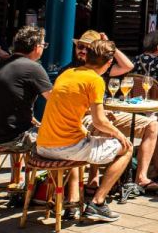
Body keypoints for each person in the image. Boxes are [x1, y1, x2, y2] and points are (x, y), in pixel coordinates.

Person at [37, 40, 133, 223]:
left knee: (86, 139)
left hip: (43, 145)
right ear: (108, 62)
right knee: (126, 148)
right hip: (65, 148)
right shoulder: (95, 80)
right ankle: (98, 202)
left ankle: (73, 200)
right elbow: (100, 121)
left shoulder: (67, 74)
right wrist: (119, 134)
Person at [67, 31, 158, 190]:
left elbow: (128, 66)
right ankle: (93, 179)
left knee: (152, 125)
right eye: (80, 46)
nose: (82, 50)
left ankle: (141, 177)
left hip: (107, 113)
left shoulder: (102, 69)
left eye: (88, 47)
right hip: (85, 117)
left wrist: (110, 46)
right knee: (101, 125)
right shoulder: (70, 71)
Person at [0, 26, 52, 154]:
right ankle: (57, 174)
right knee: (65, 140)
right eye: (44, 45)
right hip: (14, 138)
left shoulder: (2, 65)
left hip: (3, 134)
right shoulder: (33, 68)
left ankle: (18, 174)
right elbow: (55, 99)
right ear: (36, 47)